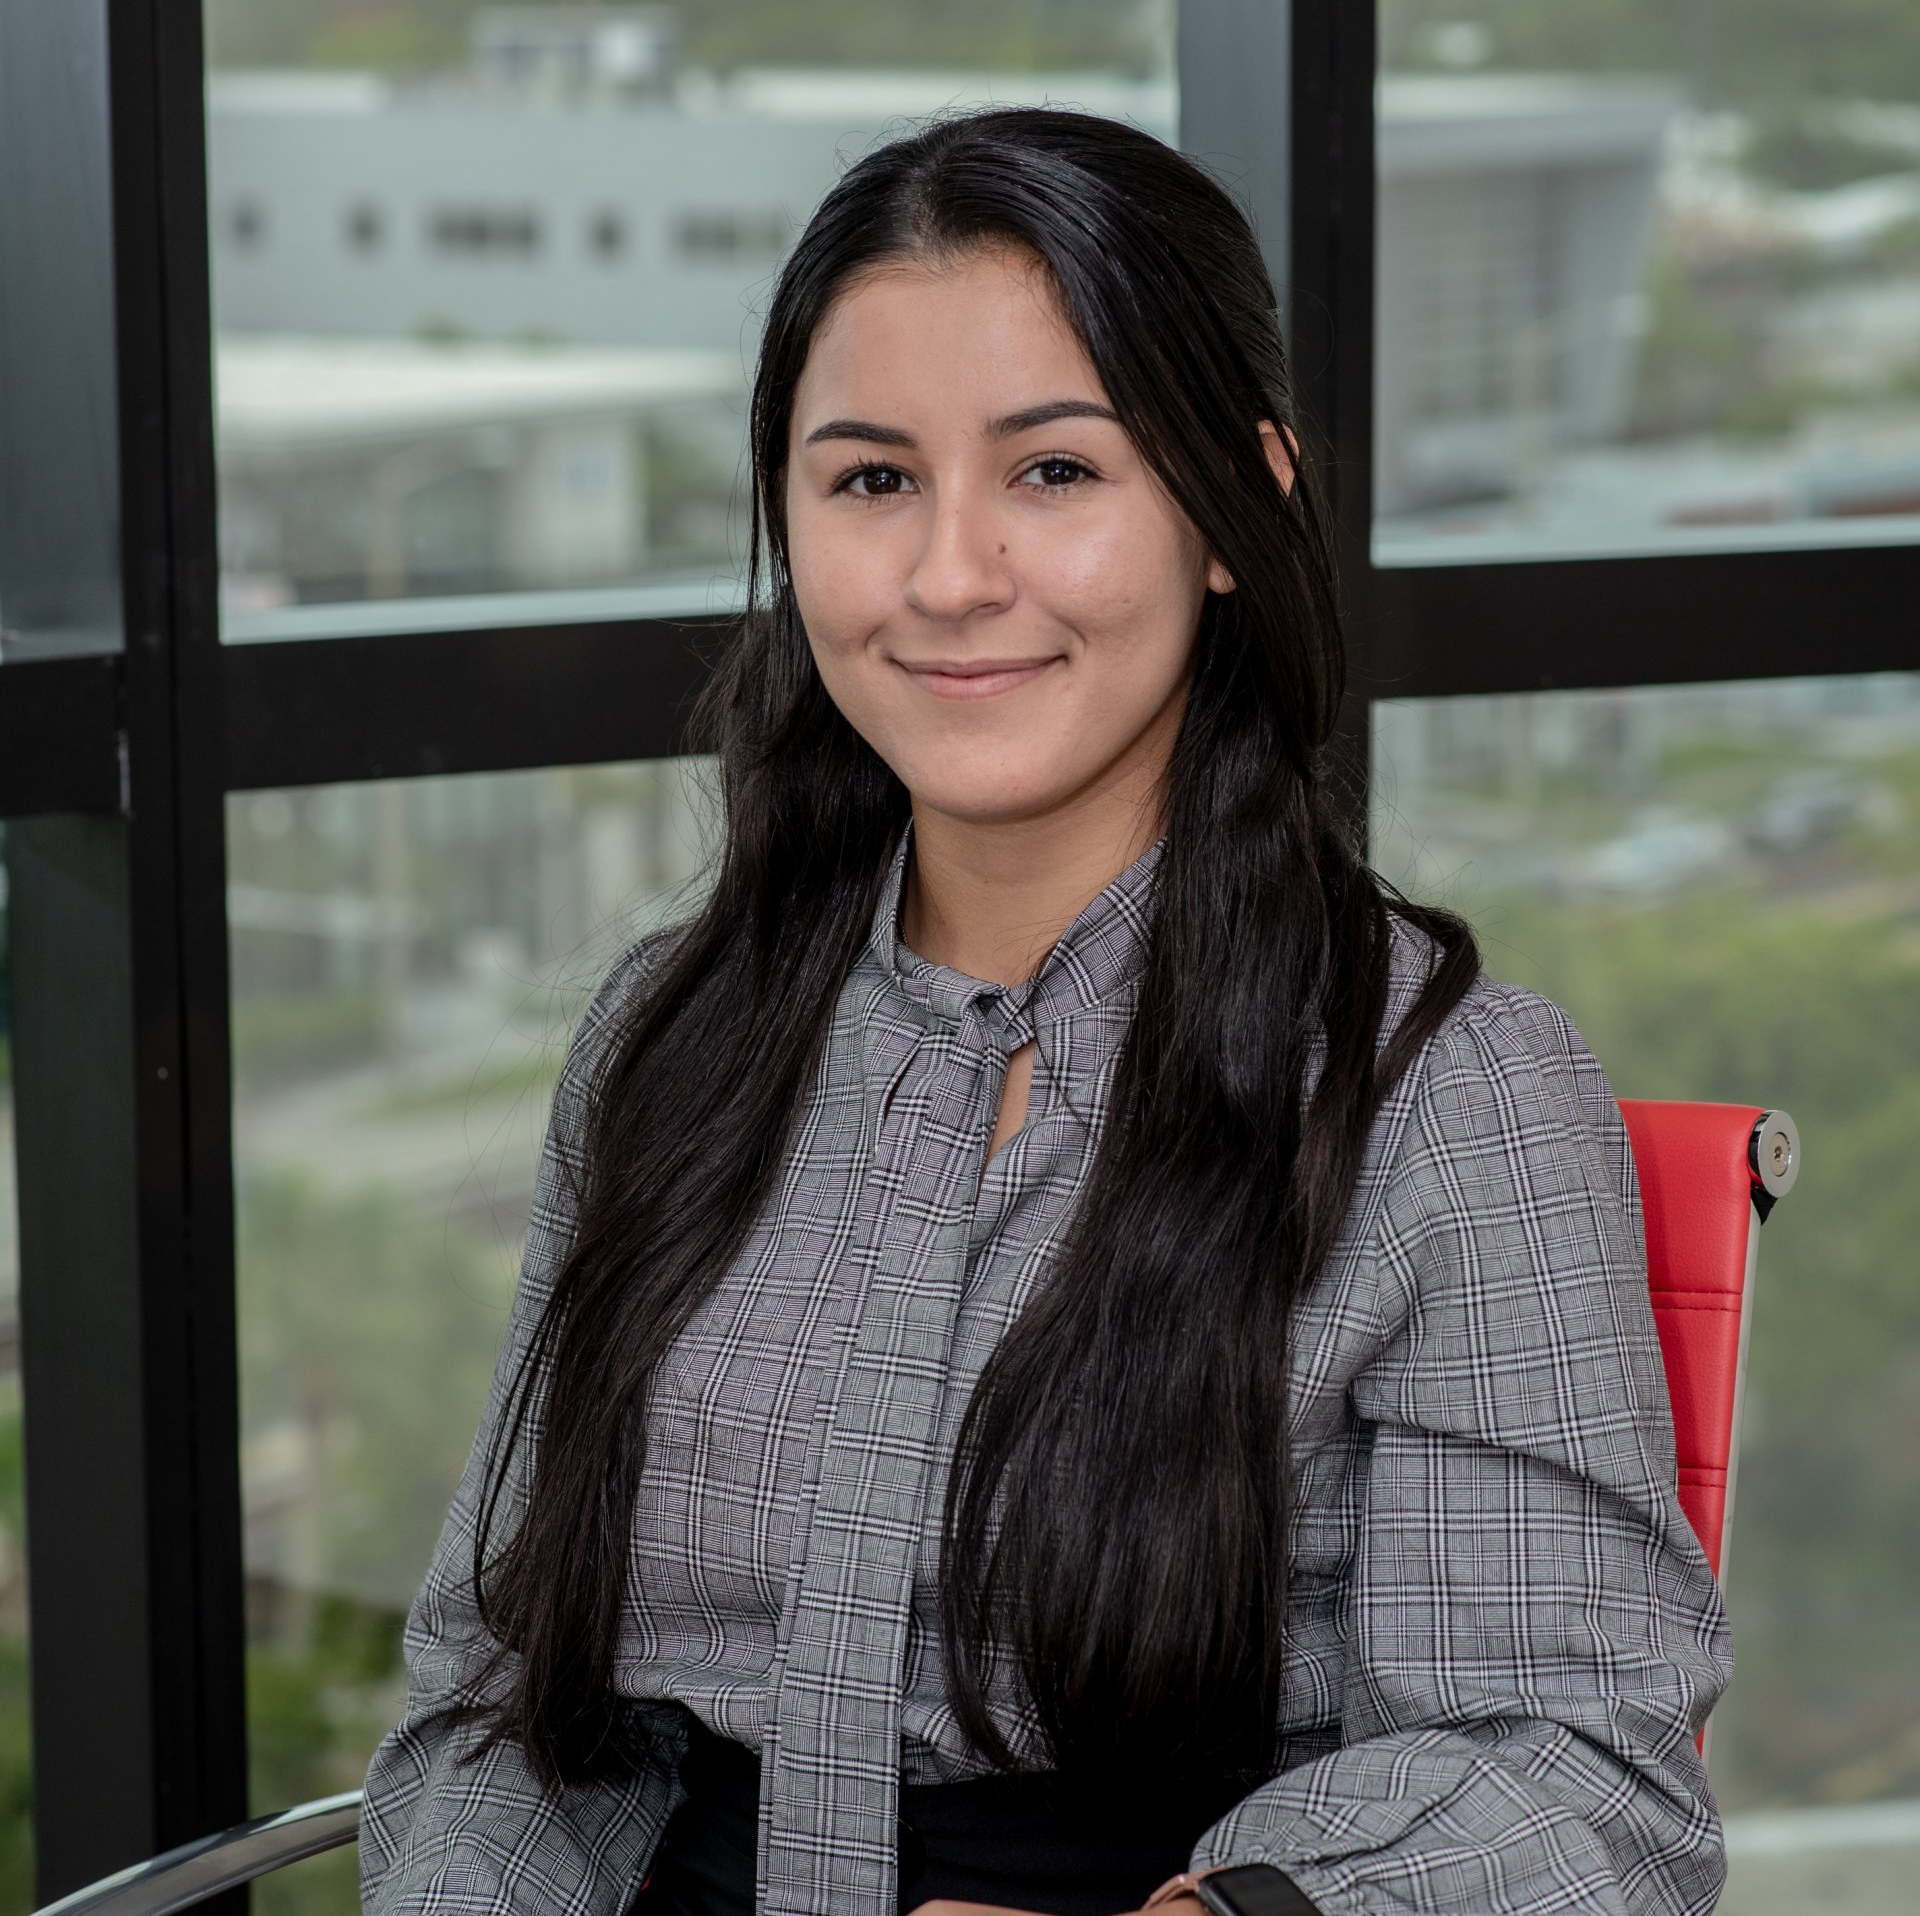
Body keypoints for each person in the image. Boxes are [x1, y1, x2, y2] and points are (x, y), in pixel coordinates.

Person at [359, 108, 1731, 1916]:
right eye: (870, 482)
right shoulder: (668, 1041)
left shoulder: (1443, 1096)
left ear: (1239, 507)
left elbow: (1580, 1783)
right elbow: (493, 1704)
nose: (947, 577)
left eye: (1054, 473)